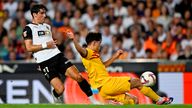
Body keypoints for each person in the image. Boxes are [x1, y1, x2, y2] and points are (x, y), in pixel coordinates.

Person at [68, 32, 174, 105]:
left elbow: (103, 65)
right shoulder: (88, 52)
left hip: (103, 90)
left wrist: (115, 56)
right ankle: (159, 99)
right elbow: (81, 51)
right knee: (137, 82)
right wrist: (74, 40)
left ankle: (113, 104)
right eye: (99, 44)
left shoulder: (94, 55)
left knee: (134, 101)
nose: (99, 47)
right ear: (94, 42)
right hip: (106, 84)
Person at [22, 4, 99, 104]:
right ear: (34, 14)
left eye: (45, 13)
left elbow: (50, 43)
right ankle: (55, 95)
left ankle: (93, 100)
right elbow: (29, 47)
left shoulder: (47, 26)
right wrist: (45, 46)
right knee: (60, 89)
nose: (45, 15)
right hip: (45, 62)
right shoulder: (28, 29)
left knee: (78, 77)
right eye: (42, 13)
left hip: (57, 56)